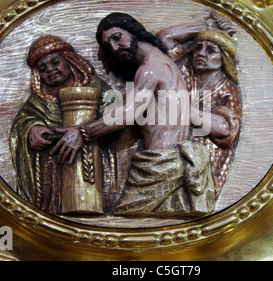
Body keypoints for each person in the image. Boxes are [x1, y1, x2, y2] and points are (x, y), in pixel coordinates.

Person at [82, 12, 215, 216]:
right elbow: (167, 35)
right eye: (109, 45)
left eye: (117, 38)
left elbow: (126, 115)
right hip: (174, 162)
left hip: (158, 165)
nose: (116, 48)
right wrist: (208, 25)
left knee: (126, 227)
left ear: (135, 31)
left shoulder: (149, 69)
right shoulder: (165, 59)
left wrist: (83, 131)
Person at [10, 35, 110, 214]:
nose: (50, 70)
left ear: (70, 61)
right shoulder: (39, 101)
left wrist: (85, 131)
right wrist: (31, 128)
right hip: (53, 177)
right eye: (43, 68)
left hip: (95, 171)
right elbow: (23, 120)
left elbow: (116, 115)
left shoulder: (98, 88)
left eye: (55, 62)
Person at [157, 14, 242, 198]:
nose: (201, 53)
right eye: (198, 48)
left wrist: (180, 107)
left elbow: (225, 129)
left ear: (224, 58)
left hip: (205, 163)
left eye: (211, 50)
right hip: (173, 151)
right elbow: (164, 38)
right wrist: (205, 27)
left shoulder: (226, 90)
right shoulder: (184, 70)